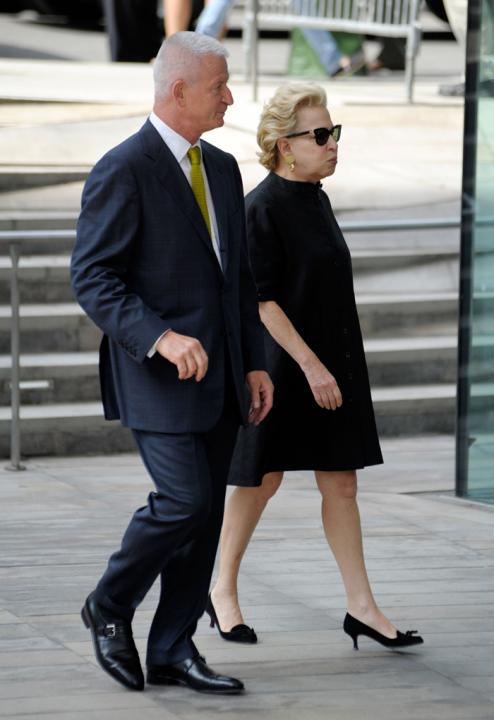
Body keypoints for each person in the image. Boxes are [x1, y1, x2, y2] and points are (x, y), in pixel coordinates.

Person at [71, 31, 273, 694]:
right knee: (184, 501)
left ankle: (172, 648)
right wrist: (159, 337)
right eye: (219, 87)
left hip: (223, 375)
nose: (230, 98)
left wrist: (254, 362)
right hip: (156, 376)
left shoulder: (223, 168)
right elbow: (93, 277)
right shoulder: (123, 168)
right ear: (179, 90)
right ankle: (109, 602)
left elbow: (238, 279)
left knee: (205, 516)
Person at [207, 82, 424, 653]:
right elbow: (263, 301)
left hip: (332, 358)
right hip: (283, 365)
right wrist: (311, 367)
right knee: (262, 478)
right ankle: (221, 590)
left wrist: (331, 365)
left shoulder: (316, 199)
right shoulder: (261, 208)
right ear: (285, 146)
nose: (332, 145)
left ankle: (362, 607)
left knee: (341, 482)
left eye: (334, 132)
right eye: (320, 135)